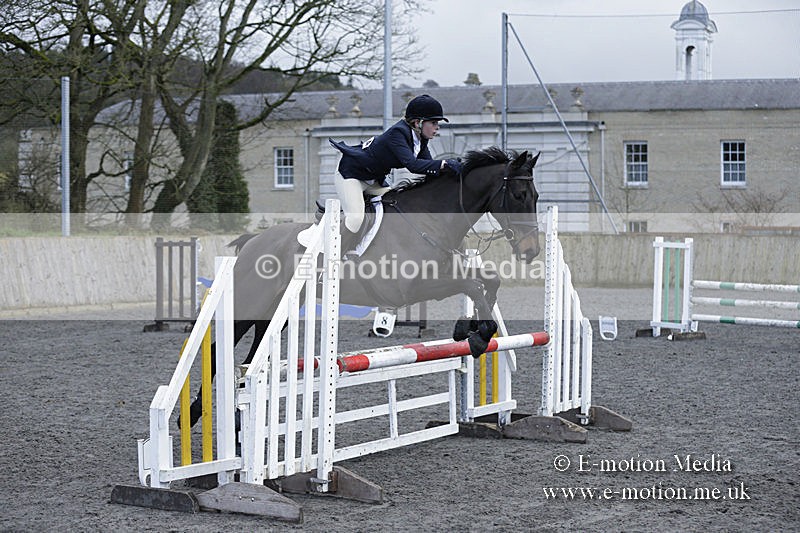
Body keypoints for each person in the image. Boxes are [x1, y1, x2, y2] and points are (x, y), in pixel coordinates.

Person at [297, 94, 463, 248]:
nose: (437, 127)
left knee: (397, 203)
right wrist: (444, 164)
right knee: (356, 219)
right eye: (433, 123)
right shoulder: (398, 133)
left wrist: (454, 171)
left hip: (373, 180)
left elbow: (428, 166)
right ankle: (335, 256)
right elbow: (413, 166)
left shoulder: (420, 139)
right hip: (351, 176)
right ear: (418, 122)